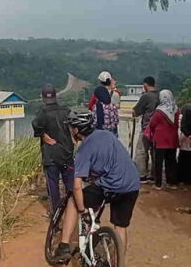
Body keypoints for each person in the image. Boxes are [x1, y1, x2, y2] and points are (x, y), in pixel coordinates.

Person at [52, 111, 140, 262]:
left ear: (76, 130)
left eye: (71, 127)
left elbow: (77, 186)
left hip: (112, 185)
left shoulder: (84, 150)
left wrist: (82, 210)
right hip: (132, 183)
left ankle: (64, 246)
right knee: (120, 226)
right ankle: (118, 262)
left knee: (74, 200)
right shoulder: (107, 134)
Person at [32, 84, 74, 216]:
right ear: (56, 96)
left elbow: (36, 125)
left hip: (51, 154)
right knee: (70, 183)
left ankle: (55, 212)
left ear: (42, 97)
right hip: (67, 152)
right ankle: (73, 209)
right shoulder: (66, 111)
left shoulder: (42, 112)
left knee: (53, 184)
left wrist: (44, 136)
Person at [145, 90, 180, 190]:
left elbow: (152, 123)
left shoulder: (159, 111)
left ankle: (158, 184)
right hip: (172, 139)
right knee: (172, 161)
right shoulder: (176, 110)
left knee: (158, 162)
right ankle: (172, 182)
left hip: (160, 140)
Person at [133, 76, 158, 183]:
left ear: (145, 85)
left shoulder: (146, 96)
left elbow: (136, 111)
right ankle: (153, 175)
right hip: (158, 129)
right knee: (154, 152)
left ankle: (141, 175)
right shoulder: (160, 95)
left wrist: (134, 111)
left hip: (146, 128)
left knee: (141, 151)